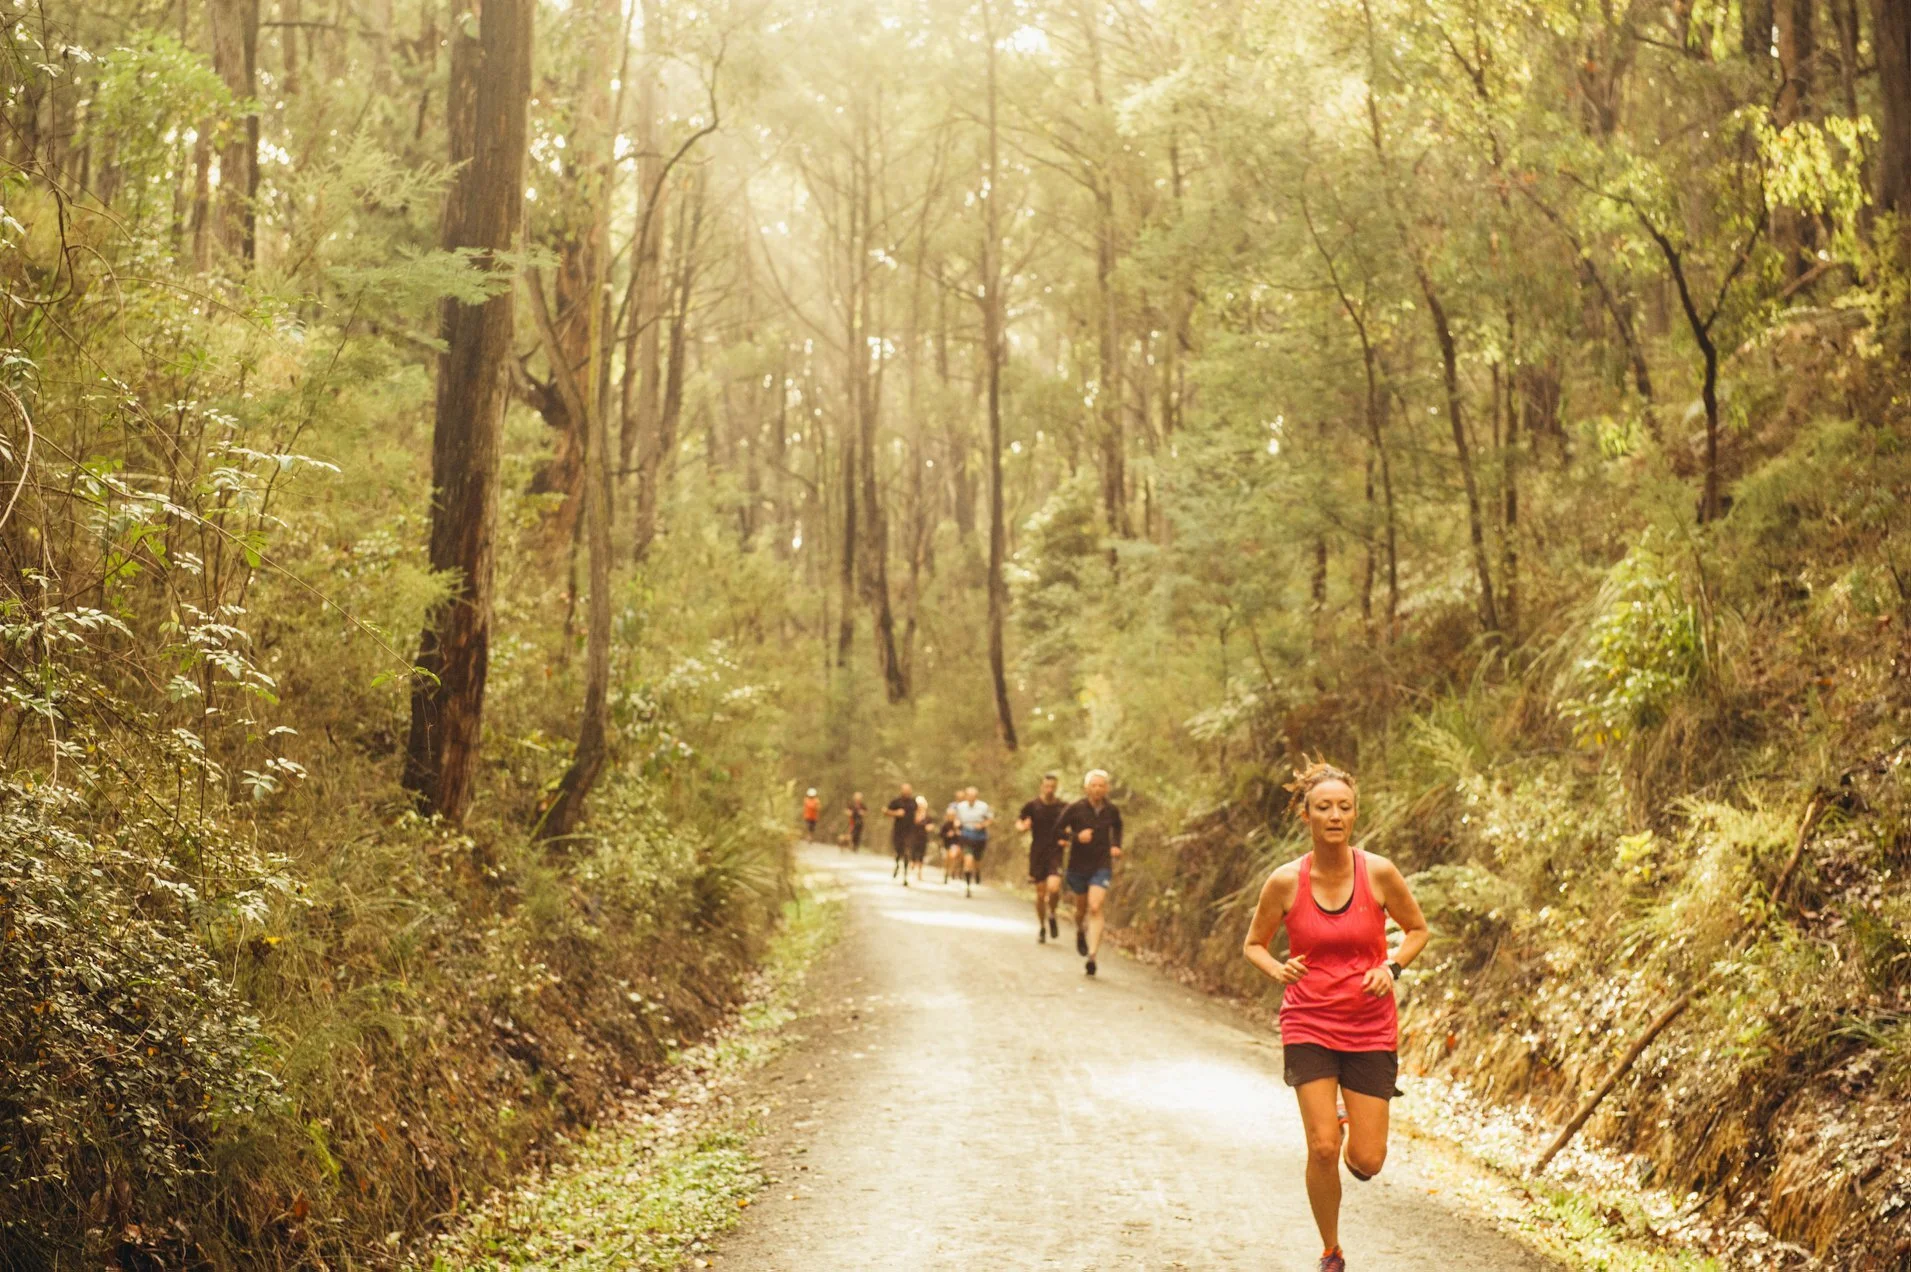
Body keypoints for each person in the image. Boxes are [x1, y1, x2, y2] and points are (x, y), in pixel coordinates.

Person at [1242, 761, 1430, 1272]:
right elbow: (1254, 945)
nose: (1334, 815)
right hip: (1309, 1021)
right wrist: (1278, 968)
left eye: (1343, 807)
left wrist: (1391, 967)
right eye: (1323, 807)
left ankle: (1349, 1121)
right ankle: (1331, 1251)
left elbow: (1417, 931)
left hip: (1370, 1024)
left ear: (1354, 814)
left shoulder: (1379, 872)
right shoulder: (1284, 882)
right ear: (1306, 815)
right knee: (1323, 1146)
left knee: (1366, 1161)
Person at [1056, 769, 1122, 976]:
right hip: (1078, 866)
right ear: (1086, 788)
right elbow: (1057, 829)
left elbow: (1118, 827)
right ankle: (1079, 930)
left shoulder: (1112, 810)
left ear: (1107, 788)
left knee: (1096, 906)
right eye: (1094, 785)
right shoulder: (1074, 808)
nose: (1098, 789)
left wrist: (1116, 845)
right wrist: (1076, 836)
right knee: (1081, 909)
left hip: (1101, 864)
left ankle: (1092, 956)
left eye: (1102, 785)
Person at [1018, 773, 1067, 943]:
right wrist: (1023, 826)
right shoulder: (1032, 805)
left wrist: (1067, 837)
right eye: (1047, 786)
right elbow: (1019, 822)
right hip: (1037, 853)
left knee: (1053, 889)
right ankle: (1042, 927)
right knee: (1040, 895)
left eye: (1052, 787)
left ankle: (1052, 913)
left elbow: (1073, 826)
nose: (1049, 789)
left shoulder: (1063, 806)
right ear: (1041, 786)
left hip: (1055, 852)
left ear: (1056, 787)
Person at [952, 785, 993, 898]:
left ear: (976, 797)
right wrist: (956, 825)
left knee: (977, 860)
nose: (970, 798)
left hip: (979, 836)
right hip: (966, 834)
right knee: (968, 860)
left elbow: (989, 820)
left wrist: (982, 825)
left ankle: (977, 872)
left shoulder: (983, 806)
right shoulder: (960, 806)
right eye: (968, 795)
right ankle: (968, 885)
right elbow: (956, 819)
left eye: (973, 796)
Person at [885, 783, 917, 884]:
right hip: (898, 831)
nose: (907, 792)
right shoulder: (896, 801)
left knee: (907, 852)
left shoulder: (913, 802)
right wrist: (896, 813)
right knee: (899, 852)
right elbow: (885, 811)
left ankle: (905, 875)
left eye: (908, 790)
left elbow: (918, 814)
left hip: (910, 832)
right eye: (905, 790)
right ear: (902, 791)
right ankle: (897, 865)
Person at [939, 802, 963, 884]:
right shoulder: (945, 825)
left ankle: (953, 871)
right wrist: (947, 835)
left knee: (953, 855)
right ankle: (947, 872)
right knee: (947, 859)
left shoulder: (958, 824)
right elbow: (941, 834)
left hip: (955, 844)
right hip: (946, 844)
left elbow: (962, 835)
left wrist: (956, 831)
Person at [910, 794, 932, 882]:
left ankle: (919, 872)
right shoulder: (913, 814)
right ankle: (911, 866)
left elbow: (931, 825)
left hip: (923, 837)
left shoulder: (927, 816)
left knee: (921, 854)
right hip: (914, 836)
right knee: (913, 852)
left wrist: (929, 827)